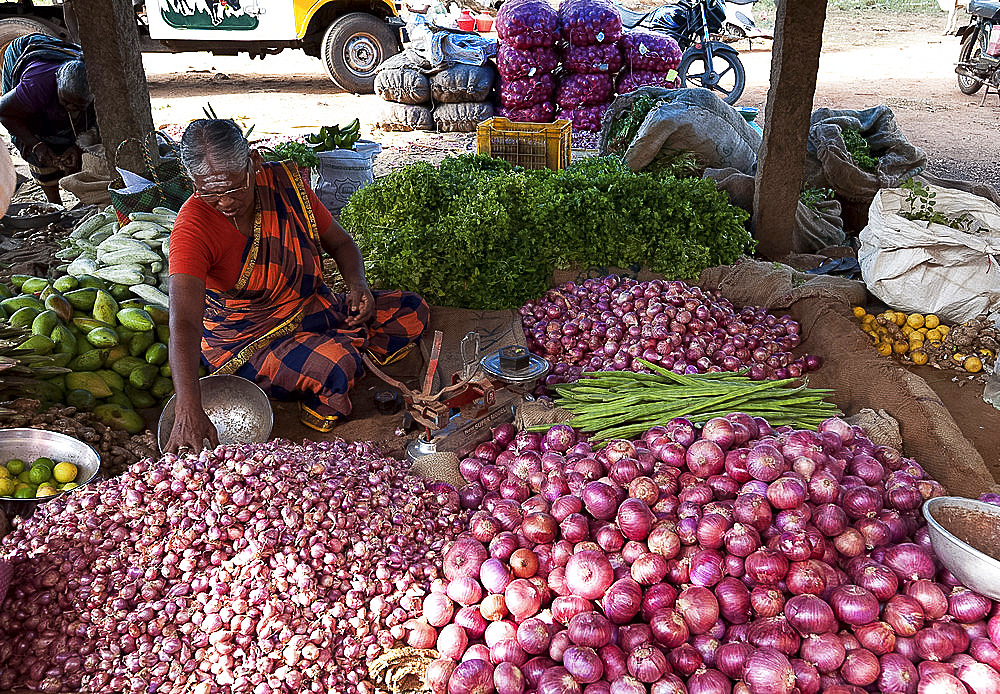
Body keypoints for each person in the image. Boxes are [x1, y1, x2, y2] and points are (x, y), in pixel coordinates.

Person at [165, 119, 429, 452]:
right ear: (193, 183)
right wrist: (188, 407)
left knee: (412, 309)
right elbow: (184, 323)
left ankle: (330, 346)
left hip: (312, 308)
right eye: (210, 193)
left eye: (234, 189)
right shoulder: (192, 228)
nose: (225, 203)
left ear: (254, 163)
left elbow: (343, 244)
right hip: (249, 339)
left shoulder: (284, 185)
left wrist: (358, 285)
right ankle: (329, 364)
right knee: (336, 364)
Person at [0, 33, 96, 205]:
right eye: (65, 102)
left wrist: (76, 147)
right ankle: (54, 205)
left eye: (78, 107)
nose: (70, 109)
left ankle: (83, 198)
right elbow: (4, 113)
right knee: (34, 138)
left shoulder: (99, 89)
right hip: (24, 56)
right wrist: (36, 145)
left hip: (60, 71)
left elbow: (94, 128)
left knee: (74, 134)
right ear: (58, 82)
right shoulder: (36, 85)